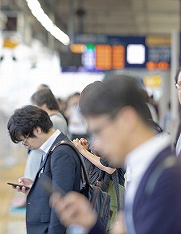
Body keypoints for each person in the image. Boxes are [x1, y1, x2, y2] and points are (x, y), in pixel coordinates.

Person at [50, 75, 181, 234]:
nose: (97, 143)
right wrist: (90, 223)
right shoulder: (148, 169)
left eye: (99, 131)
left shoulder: (167, 180)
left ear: (126, 119)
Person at [7, 105, 83, 234]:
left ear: (37, 130)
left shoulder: (61, 152)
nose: (26, 146)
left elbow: (62, 202)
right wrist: (34, 186)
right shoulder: (53, 148)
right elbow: (55, 187)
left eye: (25, 141)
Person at [23, 88, 69, 181]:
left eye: (35, 106)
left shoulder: (54, 121)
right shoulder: (58, 118)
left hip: (40, 170)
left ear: (43, 106)